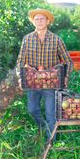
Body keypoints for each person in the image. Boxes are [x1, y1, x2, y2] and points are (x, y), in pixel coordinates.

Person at [16, 8, 73, 140]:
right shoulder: (27, 39)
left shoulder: (56, 40)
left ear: (48, 21)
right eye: (36, 19)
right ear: (33, 22)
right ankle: (44, 127)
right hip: (33, 82)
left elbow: (68, 61)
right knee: (32, 109)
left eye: (42, 19)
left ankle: (51, 143)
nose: (39, 21)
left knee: (50, 113)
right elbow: (20, 61)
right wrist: (20, 77)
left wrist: (65, 77)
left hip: (50, 83)